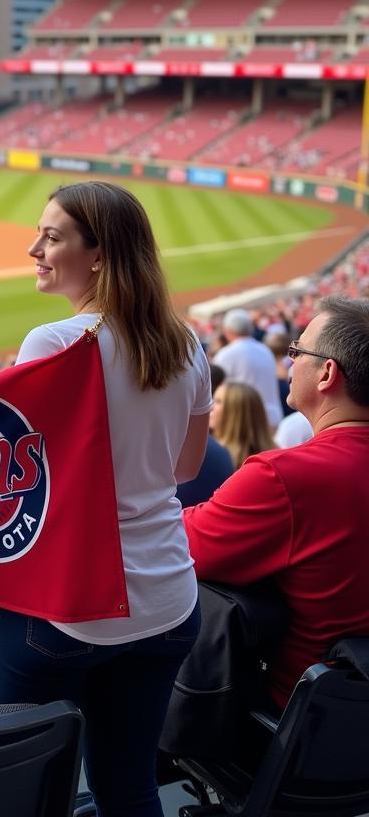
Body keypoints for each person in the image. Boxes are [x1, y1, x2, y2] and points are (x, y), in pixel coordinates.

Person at [0, 181, 209, 817]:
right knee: (130, 786)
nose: (34, 248)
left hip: (69, 607)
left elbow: (8, 487)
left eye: (52, 237)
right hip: (167, 597)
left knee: (19, 787)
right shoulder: (187, 343)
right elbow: (185, 466)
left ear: (101, 254)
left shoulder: (54, 344)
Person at [183, 296, 369, 709]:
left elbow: (181, 547)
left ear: (326, 373)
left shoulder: (285, 475)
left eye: (296, 351)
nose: (288, 363)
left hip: (300, 725)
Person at [176, 362, 234, 508]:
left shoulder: (216, 453)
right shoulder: (217, 451)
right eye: (214, 399)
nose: (213, 405)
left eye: (219, 401)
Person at [213, 309, 283, 428]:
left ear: (228, 330)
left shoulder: (224, 354)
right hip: (273, 418)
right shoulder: (265, 350)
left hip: (244, 424)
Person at [209, 380, 276, 469]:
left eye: (217, 401)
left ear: (235, 414)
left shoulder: (214, 458)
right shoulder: (275, 456)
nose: (210, 406)